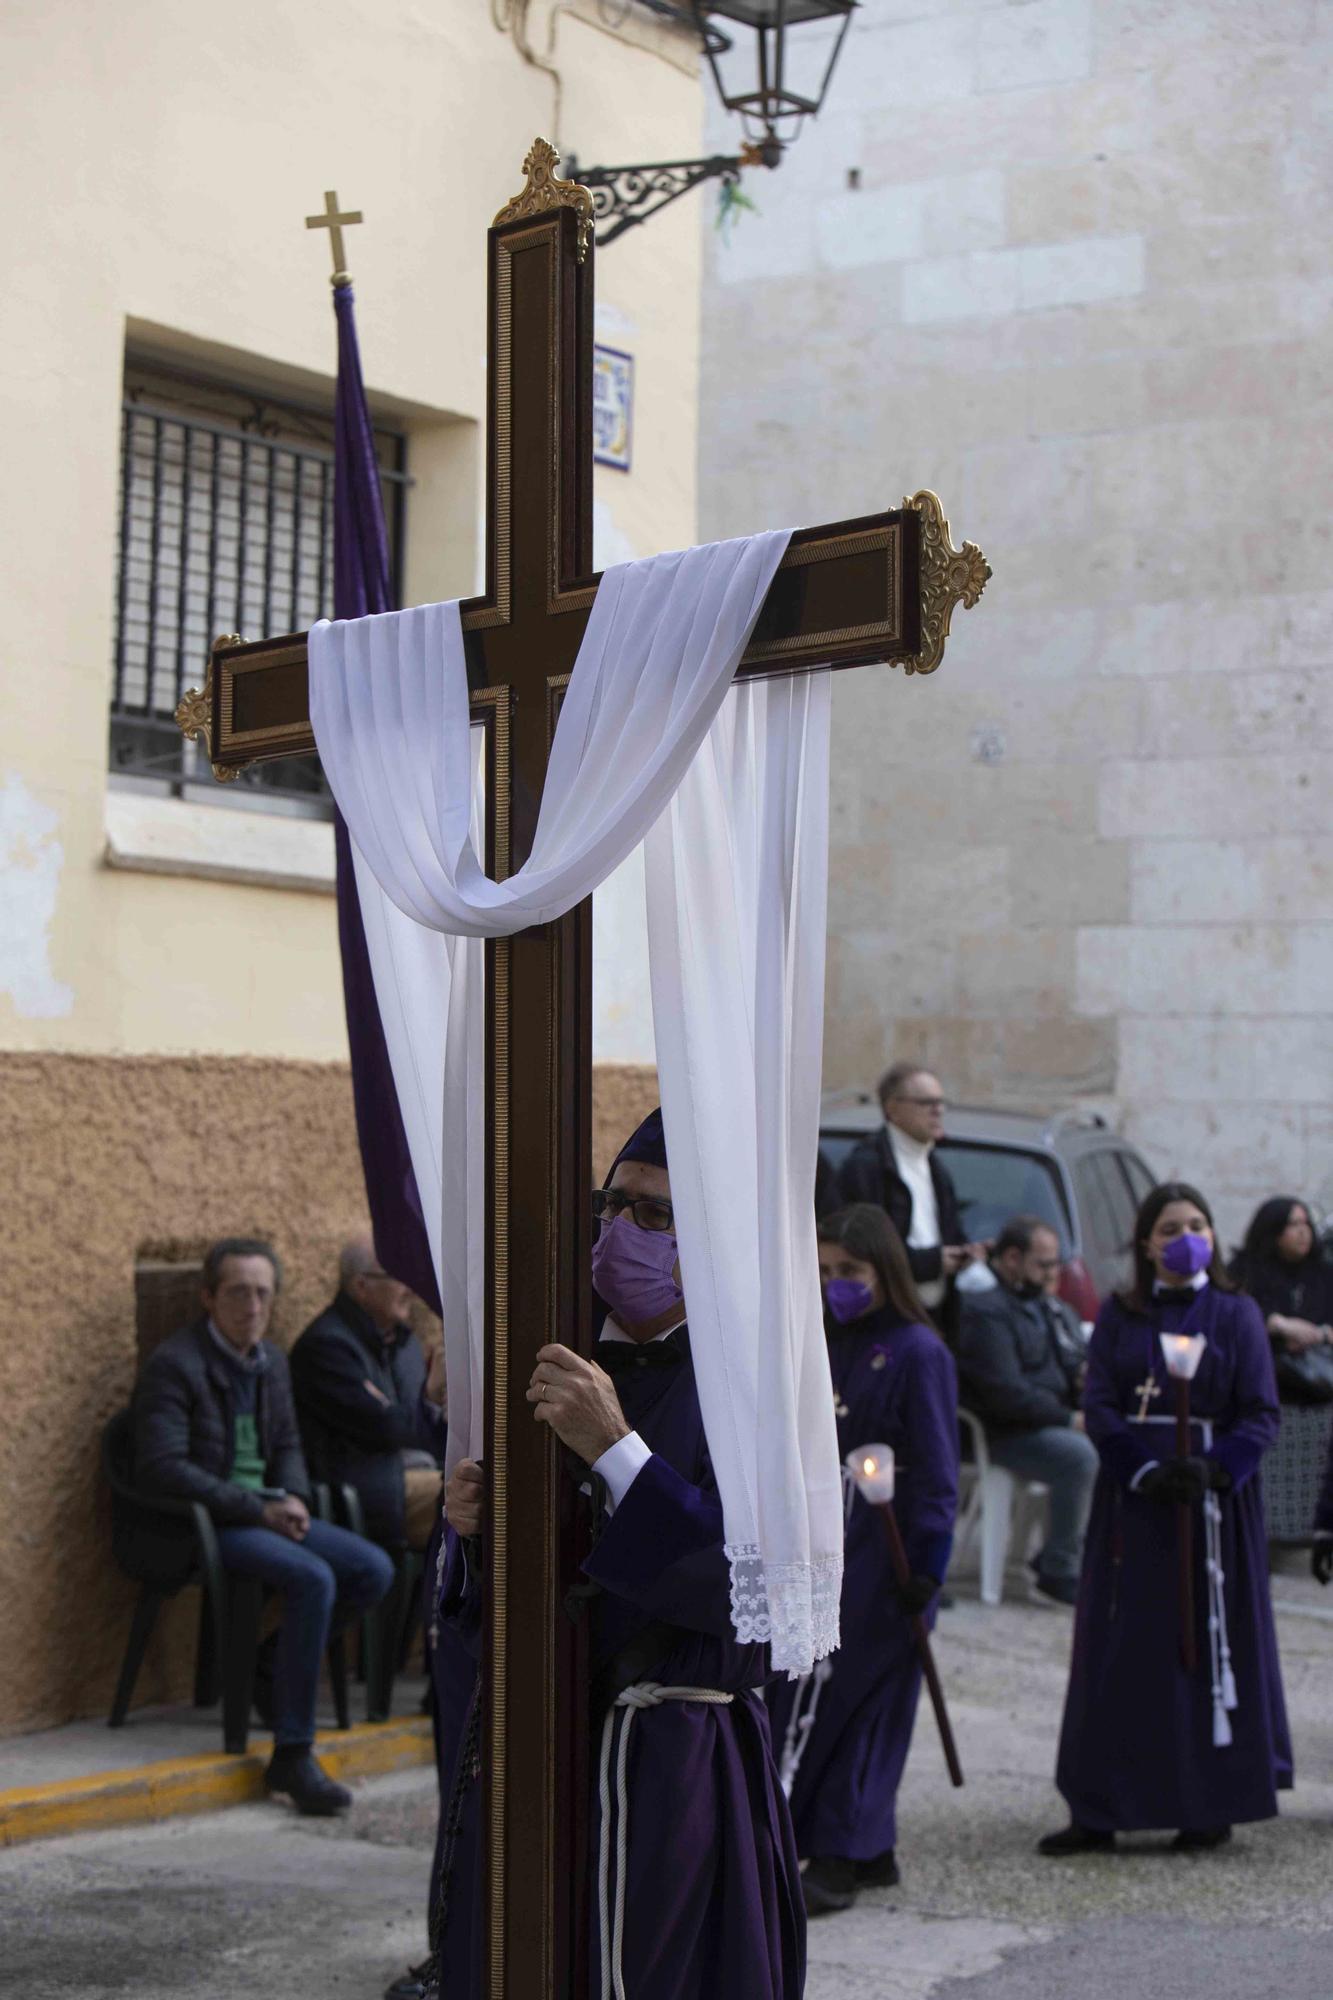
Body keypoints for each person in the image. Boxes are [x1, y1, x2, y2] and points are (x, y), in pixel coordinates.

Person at [431, 1109, 804, 2000]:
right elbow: (509, 1590)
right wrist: (479, 1532)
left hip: (668, 1753)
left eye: (655, 1217)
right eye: (613, 1206)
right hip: (543, 1737)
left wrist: (618, 1452)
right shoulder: (558, 1360)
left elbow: (746, 1592)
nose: (619, 1234)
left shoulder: (753, 1390)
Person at [1040, 1183, 1292, 1855]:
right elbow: (1098, 1404)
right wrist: (1143, 1469)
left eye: (1199, 1224)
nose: (1188, 1236)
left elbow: (1260, 1412)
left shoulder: (1235, 1313)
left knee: (1203, 1644)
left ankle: (1203, 1801)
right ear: (1146, 1242)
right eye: (1172, 1226)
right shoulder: (1124, 1316)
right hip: (1135, 1505)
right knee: (1118, 1646)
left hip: (1210, 1507)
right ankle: (1100, 1806)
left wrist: (1215, 1469)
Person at [132, 1237, 395, 1815]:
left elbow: (288, 1444)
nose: (252, 1306)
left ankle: (268, 1668)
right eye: (238, 1293)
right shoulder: (176, 1365)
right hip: (209, 1523)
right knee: (314, 1580)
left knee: (371, 1569)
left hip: (268, 1513)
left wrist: (295, 1497)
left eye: (262, 1294)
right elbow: (162, 1466)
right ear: (208, 1297)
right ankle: (293, 1754)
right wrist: (257, 1510)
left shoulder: (271, 1361)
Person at [768, 1204, 958, 1916]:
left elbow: (937, 1470)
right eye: (821, 1271)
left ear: (883, 1271)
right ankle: (864, 1845)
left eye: (848, 1271)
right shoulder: (818, 1340)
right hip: (824, 1545)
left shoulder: (916, 1351)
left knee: (864, 1702)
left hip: (888, 1553)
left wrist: (929, 1567)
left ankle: (843, 1852)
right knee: (810, 1693)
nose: (834, 1284)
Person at [955, 1216, 1097, 1607]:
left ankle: (1084, 1556)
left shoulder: (1047, 1307)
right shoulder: (987, 1311)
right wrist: (1069, 1418)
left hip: (1045, 1421)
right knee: (1079, 1457)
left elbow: (1067, 1366)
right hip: (1006, 1432)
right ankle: (1059, 1568)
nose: (1053, 1274)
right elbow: (1005, 1393)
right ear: (1013, 1258)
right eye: (1044, 1264)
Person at [290, 1237, 444, 1551]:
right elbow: (389, 1430)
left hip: (414, 1470)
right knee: (486, 1502)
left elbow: (418, 1428)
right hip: (368, 1488)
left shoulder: (403, 1343)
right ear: (362, 1286)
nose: (412, 1289)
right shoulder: (327, 1348)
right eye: (400, 1277)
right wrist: (428, 1397)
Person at [835, 1063, 985, 1315]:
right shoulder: (866, 1167)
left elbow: (948, 1232)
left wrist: (967, 1252)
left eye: (940, 1102)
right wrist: (932, 1262)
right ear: (892, 1108)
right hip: (885, 1319)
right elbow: (863, 1250)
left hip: (935, 1316)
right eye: (926, 1102)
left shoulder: (936, 1167)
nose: (938, 1111)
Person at [1229, 1196, 1333, 1547]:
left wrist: (1318, 1334)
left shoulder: (1323, 1274)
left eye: (1306, 1224)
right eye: (1292, 1225)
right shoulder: (1247, 1271)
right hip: (1268, 1378)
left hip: (1319, 1381)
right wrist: (1277, 1325)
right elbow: (1237, 1315)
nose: (1302, 1233)